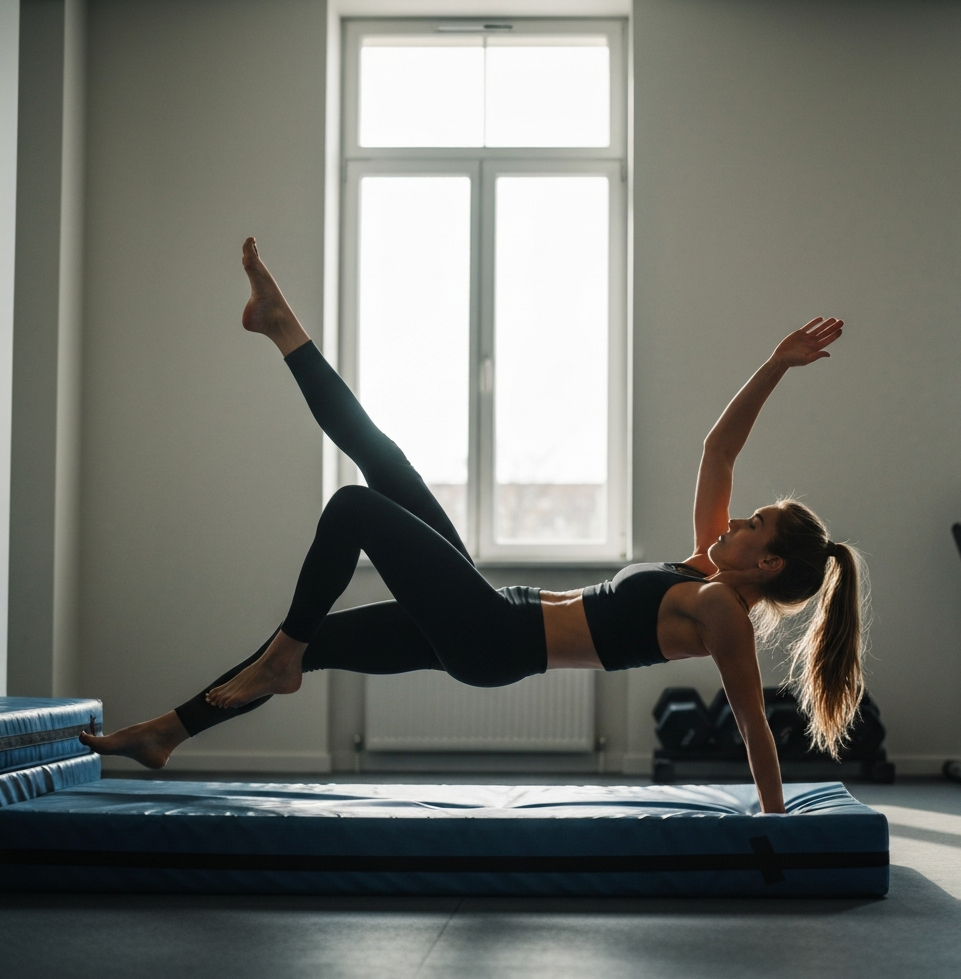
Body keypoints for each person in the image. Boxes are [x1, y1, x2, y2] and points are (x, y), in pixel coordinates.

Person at [82, 238, 867, 814]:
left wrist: (776, 821)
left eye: (753, 524)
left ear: (767, 564)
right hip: (491, 614)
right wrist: (774, 362)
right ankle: (166, 732)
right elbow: (719, 447)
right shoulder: (702, 572)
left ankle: (283, 651)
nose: (734, 521)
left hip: (493, 637)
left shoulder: (720, 609)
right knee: (384, 466)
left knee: (353, 511)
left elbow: (753, 719)